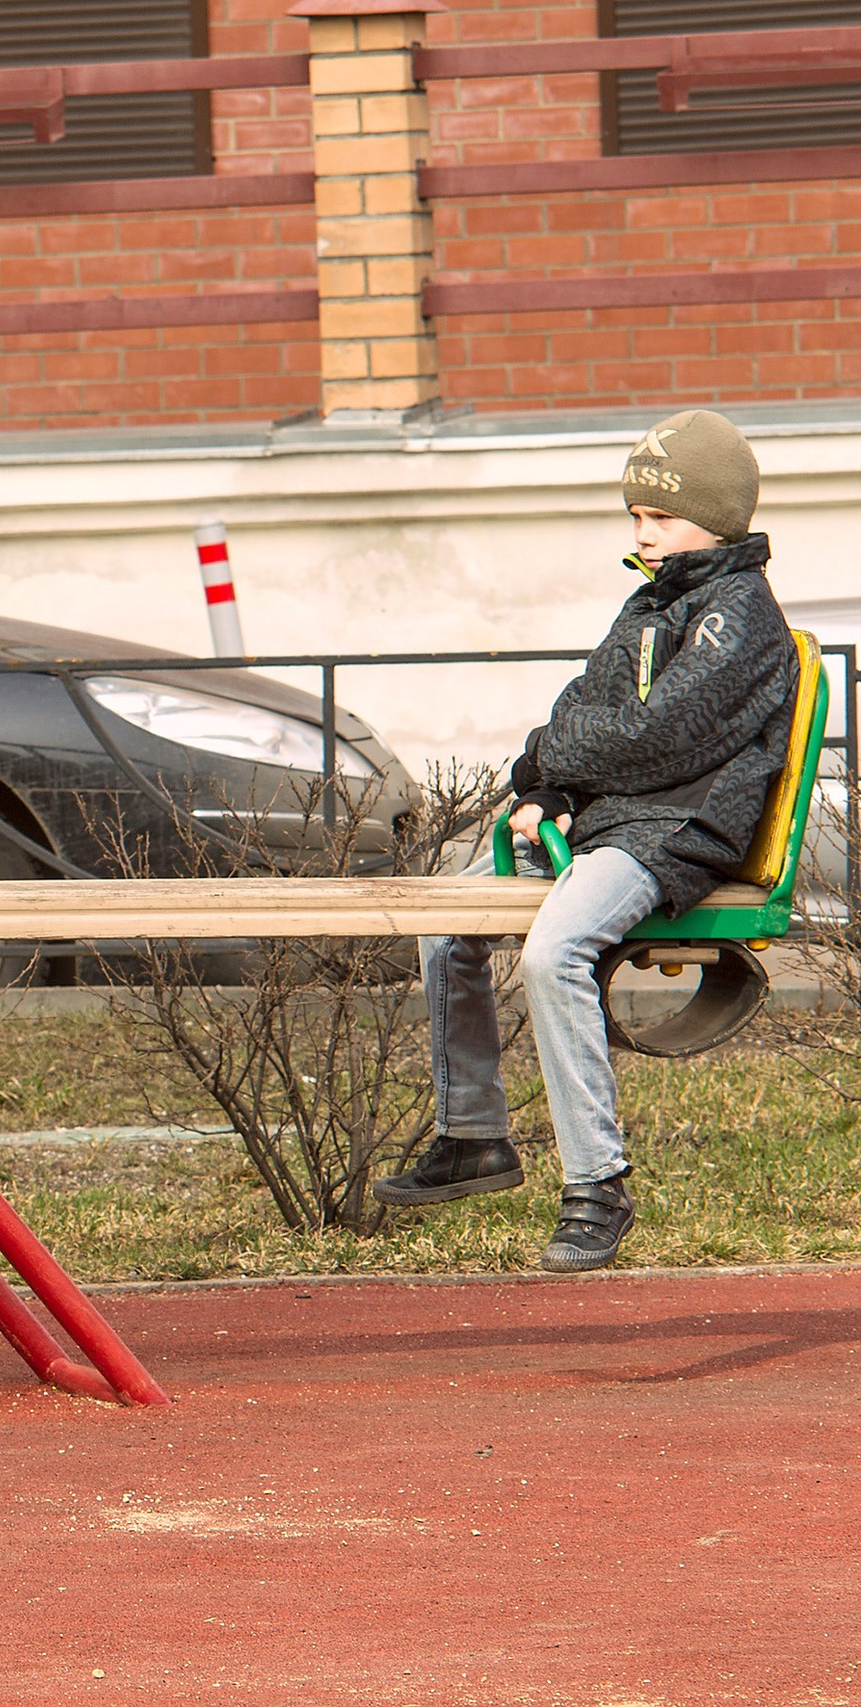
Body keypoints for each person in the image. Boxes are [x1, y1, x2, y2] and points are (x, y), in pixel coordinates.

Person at [372, 409, 799, 1271]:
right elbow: (583, 704)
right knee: (447, 920)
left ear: (717, 520)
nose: (640, 532)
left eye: (659, 518)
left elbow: (660, 736)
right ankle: (474, 1135)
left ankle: (598, 1184)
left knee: (551, 953)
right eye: (634, 516)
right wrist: (549, 788)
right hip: (614, 819)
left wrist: (546, 756)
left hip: (676, 835)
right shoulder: (653, 600)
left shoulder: (738, 618)